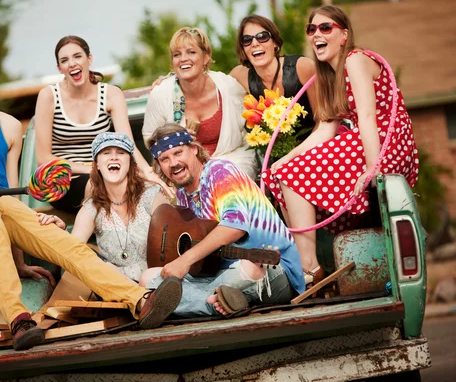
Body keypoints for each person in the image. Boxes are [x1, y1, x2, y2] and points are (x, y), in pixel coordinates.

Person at [0, 38, 182, 351]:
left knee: (66, 243)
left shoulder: (10, 125)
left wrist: (20, 262)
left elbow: (12, 202)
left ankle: (140, 299)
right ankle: (18, 319)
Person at [262, 5, 419, 286]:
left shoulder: (355, 60)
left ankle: (308, 268)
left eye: (325, 28)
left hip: (385, 141)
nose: (316, 34)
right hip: (366, 139)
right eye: (311, 29)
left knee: (292, 175)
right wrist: (287, 157)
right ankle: (306, 263)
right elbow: (326, 128)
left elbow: (368, 117)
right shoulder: (330, 74)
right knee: (281, 172)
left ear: (344, 35)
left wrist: (373, 170)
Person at [139, 124, 305, 318]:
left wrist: (185, 260)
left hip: (272, 271)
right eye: (164, 159)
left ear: (193, 149)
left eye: (178, 153)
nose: (173, 163)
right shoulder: (183, 195)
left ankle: (200, 304)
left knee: (248, 267)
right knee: (148, 278)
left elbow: (234, 227)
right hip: (219, 276)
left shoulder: (221, 172)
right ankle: (217, 303)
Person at [34, 35, 173, 214]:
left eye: (77, 56)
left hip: (107, 173)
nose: (72, 63)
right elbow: (43, 158)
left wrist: (147, 171)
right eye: (64, 60)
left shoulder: (111, 94)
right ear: (59, 68)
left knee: (151, 191)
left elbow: (128, 143)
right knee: (105, 186)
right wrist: (89, 168)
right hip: (64, 181)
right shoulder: (48, 96)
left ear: (89, 59)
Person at [39, 132, 169, 282]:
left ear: (131, 163)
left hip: (158, 280)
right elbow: (71, 251)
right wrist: (60, 231)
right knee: (101, 265)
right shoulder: (91, 209)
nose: (114, 157)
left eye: (120, 153)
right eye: (106, 153)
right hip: (117, 287)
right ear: (97, 165)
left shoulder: (151, 195)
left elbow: (174, 241)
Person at [142, 27, 257, 180]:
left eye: (191, 52)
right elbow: (150, 139)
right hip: (182, 172)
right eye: (177, 54)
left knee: (223, 183)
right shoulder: (161, 94)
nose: (183, 58)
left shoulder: (229, 88)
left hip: (232, 162)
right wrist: (173, 138)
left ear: (206, 57)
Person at [230, 14, 316, 139]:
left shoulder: (302, 67)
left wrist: (299, 154)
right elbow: (214, 91)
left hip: (316, 144)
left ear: (275, 42)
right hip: (275, 152)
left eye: (262, 37)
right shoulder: (240, 76)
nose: (254, 43)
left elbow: (324, 120)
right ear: (243, 49)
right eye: (247, 40)